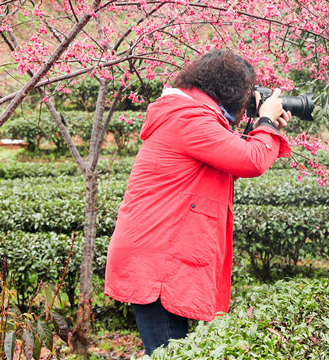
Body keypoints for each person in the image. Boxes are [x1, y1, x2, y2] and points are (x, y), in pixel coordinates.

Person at [104, 50, 292, 356]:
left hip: (158, 253)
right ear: (231, 92)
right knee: (168, 352)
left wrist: (263, 125)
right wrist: (266, 119)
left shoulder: (189, 114)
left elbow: (227, 164)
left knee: (171, 351)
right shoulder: (189, 118)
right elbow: (251, 161)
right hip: (158, 261)